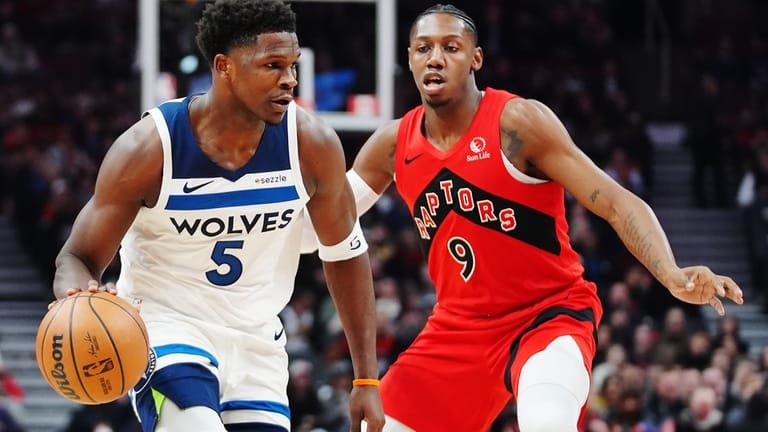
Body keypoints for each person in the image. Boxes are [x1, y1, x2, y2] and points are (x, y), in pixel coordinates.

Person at [304, 4, 743, 431]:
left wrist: (669, 272)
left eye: (451, 47)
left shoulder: (517, 123)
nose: (435, 58)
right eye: (423, 48)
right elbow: (323, 225)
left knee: (548, 422)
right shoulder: (391, 144)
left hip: (548, 315)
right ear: (409, 58)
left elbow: (614, 200)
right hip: (458, 331)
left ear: (476, 58)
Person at [50, 1, 384, 431]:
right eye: (272, 65)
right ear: (224, 66)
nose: (290, 80)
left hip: (257, 341)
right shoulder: (150, 149)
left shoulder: (311, 144)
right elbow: (77, 256)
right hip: (166, 328)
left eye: (293, 65)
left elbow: (344, 253)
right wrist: (79, 300)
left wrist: (366, 377)